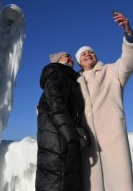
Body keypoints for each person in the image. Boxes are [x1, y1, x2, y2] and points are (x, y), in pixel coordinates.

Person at [75, 11, 133, 191]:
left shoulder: (111, 71)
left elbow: (129, 62)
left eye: (91, 52)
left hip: (113, 140)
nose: (88, 54)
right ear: (79, 61)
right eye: (84, 54)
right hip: (87, 144)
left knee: (119, 184)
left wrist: (128, 32)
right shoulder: (74, 82)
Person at [35, 51, 85, 191]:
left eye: (70, 56)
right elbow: (57, 106)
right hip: (59, 138)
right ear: (57, 61)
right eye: (65, 56)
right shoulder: (57, 73)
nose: (69, 58)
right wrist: (71, 138)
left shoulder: (66, 76)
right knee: (59, 180)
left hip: (57, 136)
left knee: (58, 180)